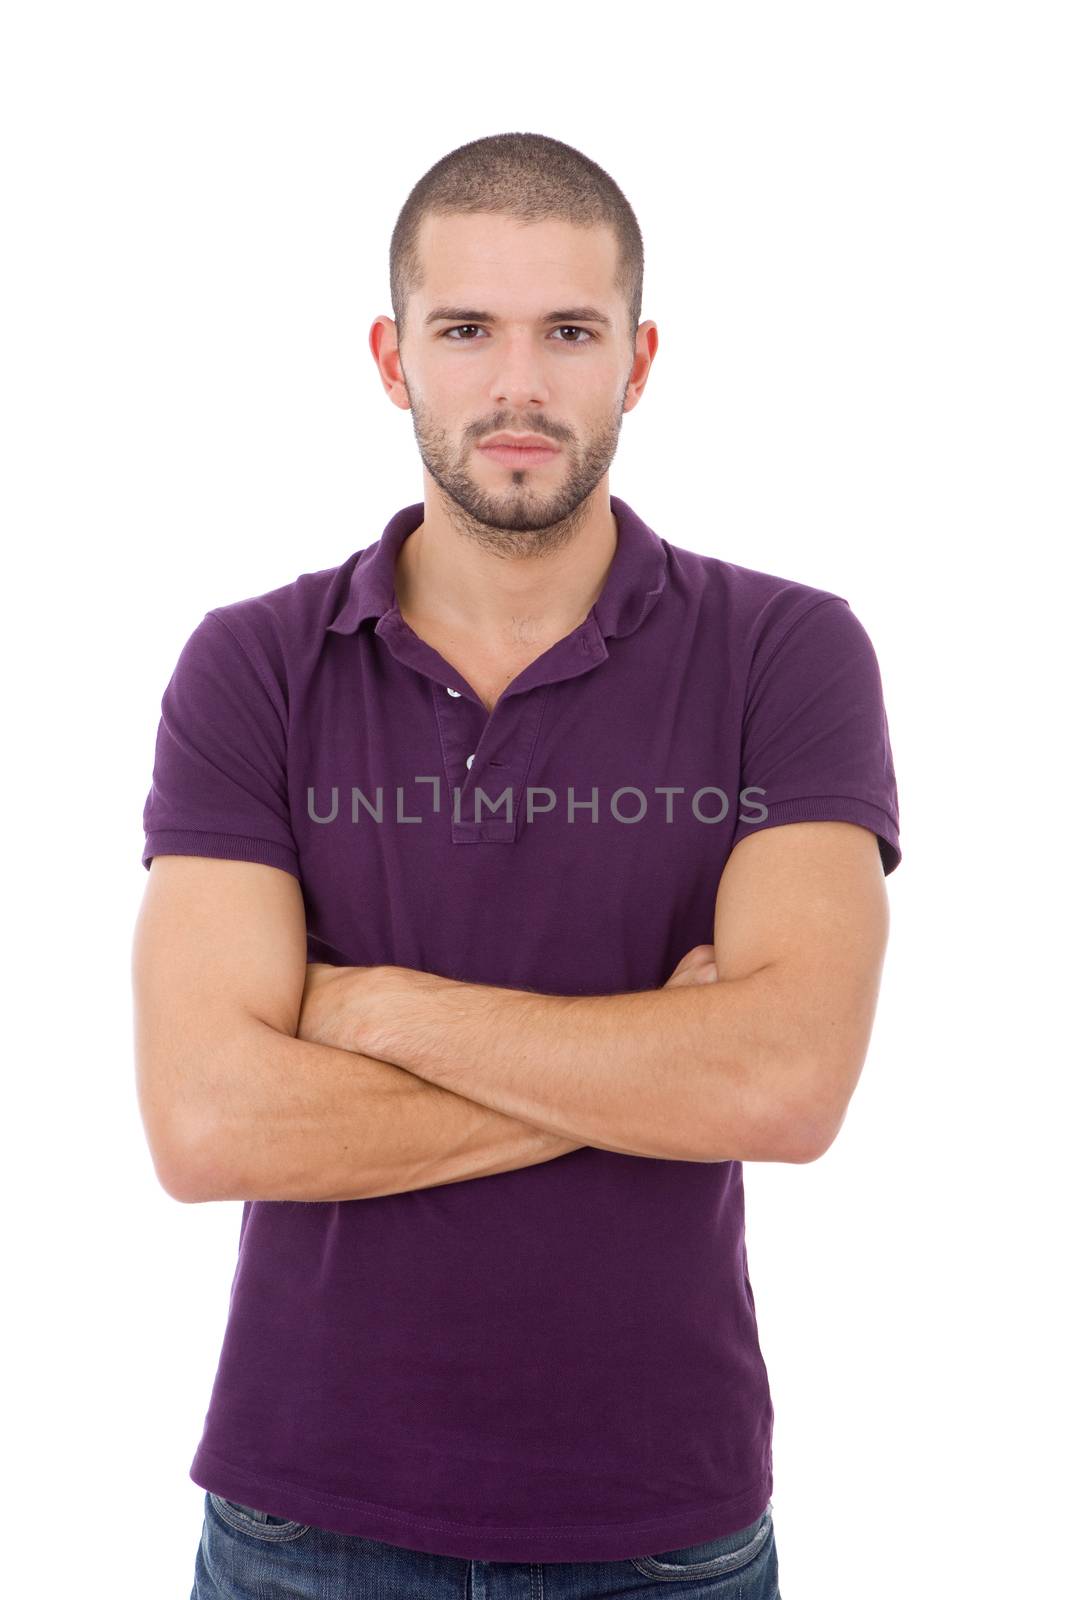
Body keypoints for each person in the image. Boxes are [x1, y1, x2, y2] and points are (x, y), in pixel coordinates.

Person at [133, 130, 901, 1600]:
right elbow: (207, 1120)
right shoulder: (253, 667)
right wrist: (647, 1067)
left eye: (569, 331)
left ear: (639, 357)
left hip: (661, 1528)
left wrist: (365, 1009)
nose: (519, 386)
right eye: (466, 329)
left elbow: (786, 1087)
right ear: (392, 355)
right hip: (303, 1525)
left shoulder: (788, 654)